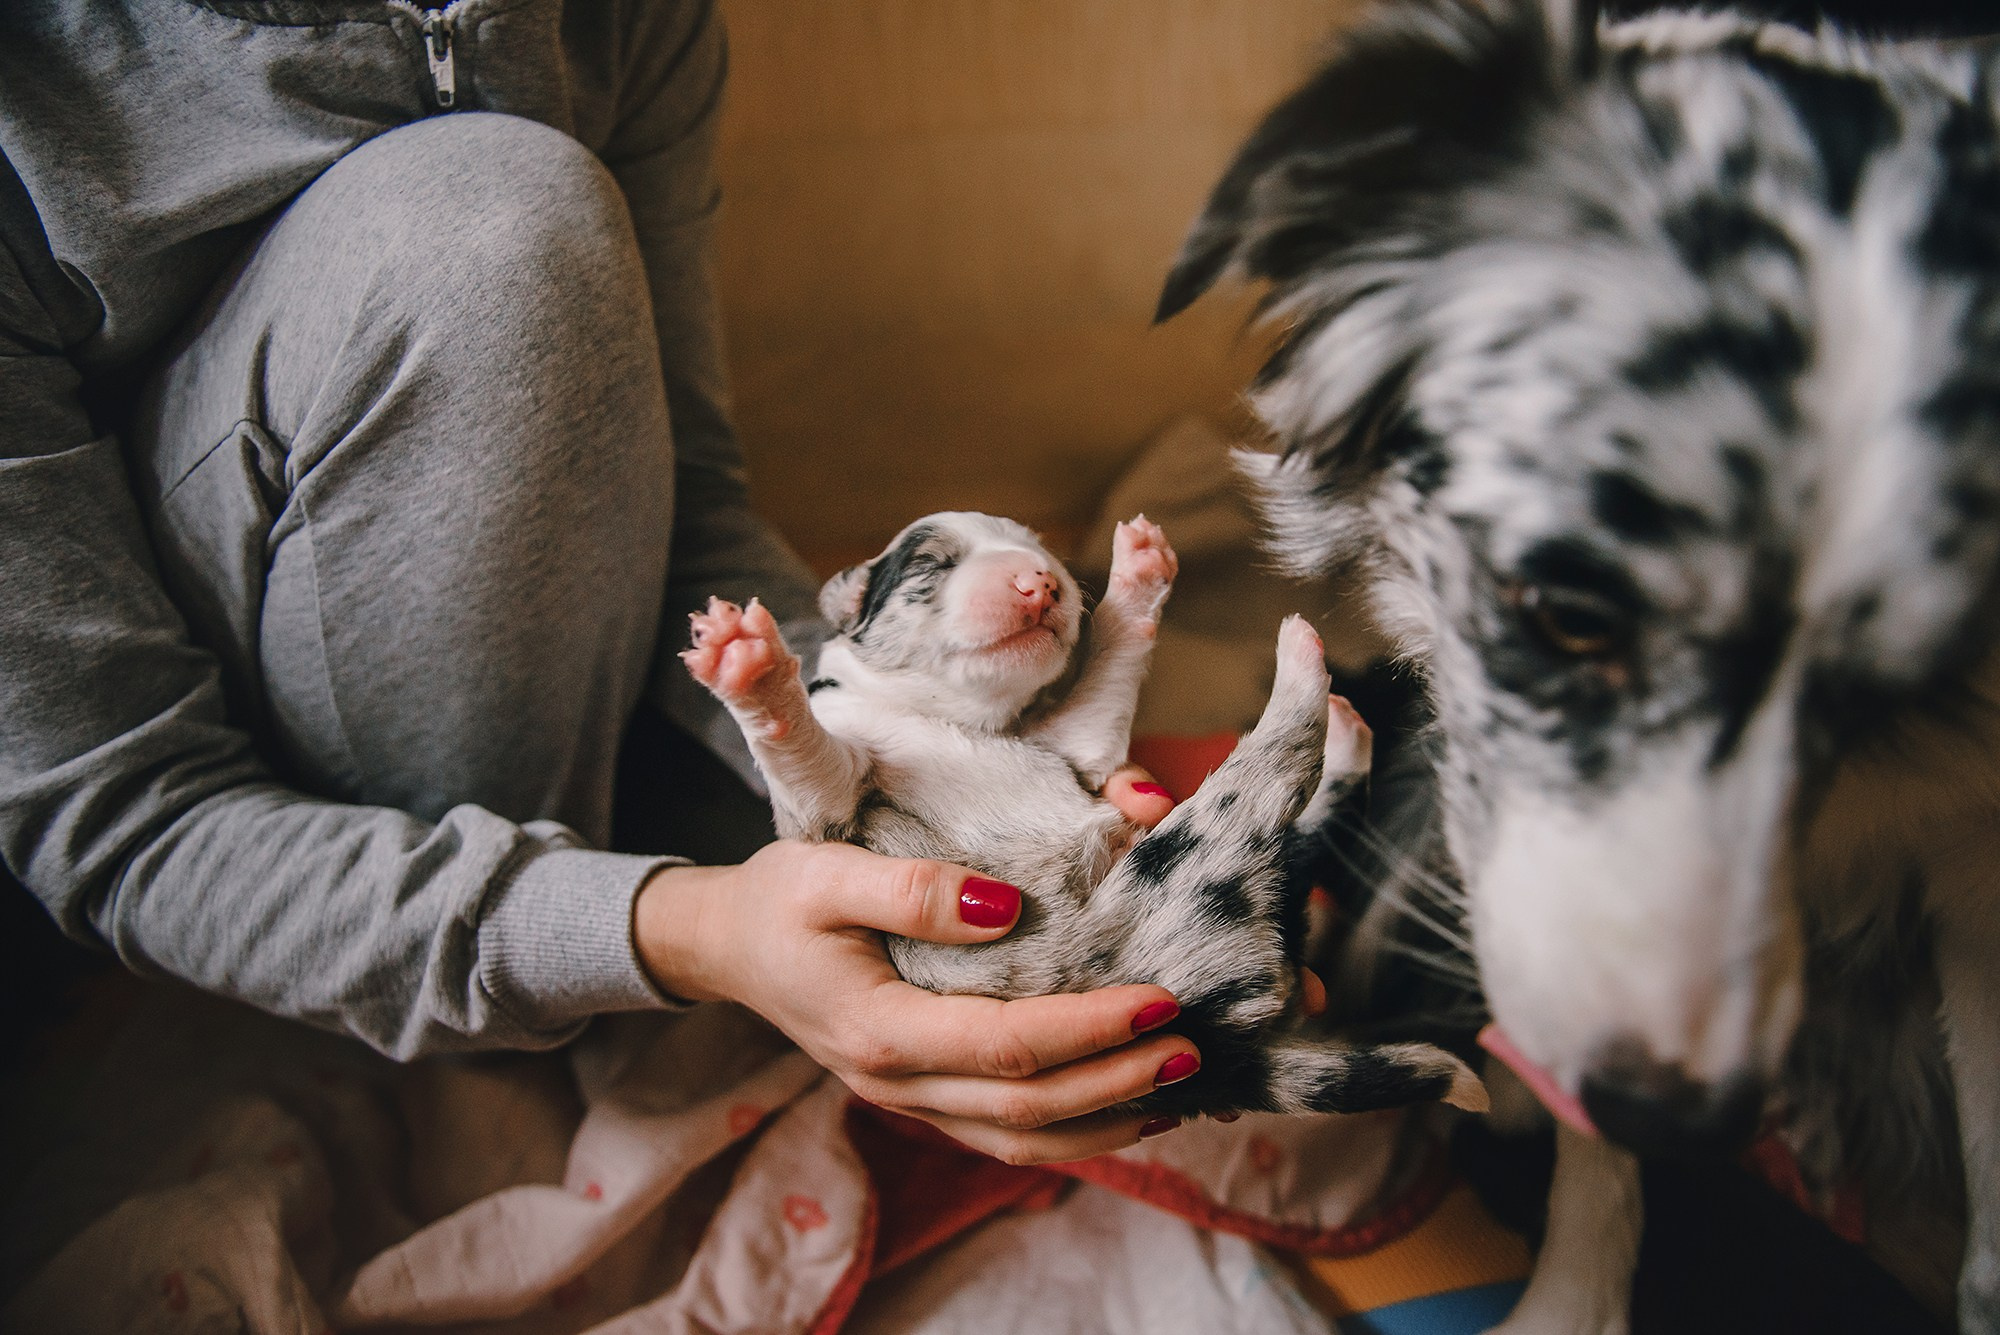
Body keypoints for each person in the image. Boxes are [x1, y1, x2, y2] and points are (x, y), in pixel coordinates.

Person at [0, 0, 1202, 1166]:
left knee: (1101, 946)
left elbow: (686, 496)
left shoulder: (635, 19)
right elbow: (123, 818)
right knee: (490, 217)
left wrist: (880, 739)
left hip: (623, 735)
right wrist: (695, 932)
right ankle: (493, 990)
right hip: (264, 843)